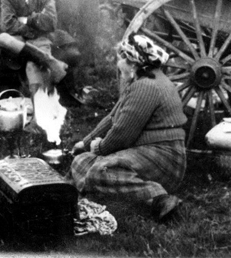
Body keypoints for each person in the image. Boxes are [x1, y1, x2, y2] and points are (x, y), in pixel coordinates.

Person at [69, 34, 187, 221]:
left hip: (166, 157)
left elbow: (122, 135)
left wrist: (99, 148)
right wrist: (84, 144)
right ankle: (107, 189)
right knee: (81, 161)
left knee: (100, 171)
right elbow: (112, 118)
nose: (119, 64)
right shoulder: (143, 81)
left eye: (121, 59)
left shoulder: (146, 87)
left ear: (132, 63)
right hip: (148, 152)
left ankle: (159, 198)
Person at [0, 0, 57, 95]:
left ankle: (38, 109)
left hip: (39, 40)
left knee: (33, 65)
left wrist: (24, 19)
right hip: (17, 41)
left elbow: (50, 22)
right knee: (3, 38)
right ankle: (45, 60)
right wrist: (34, 24)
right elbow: (7, 24)